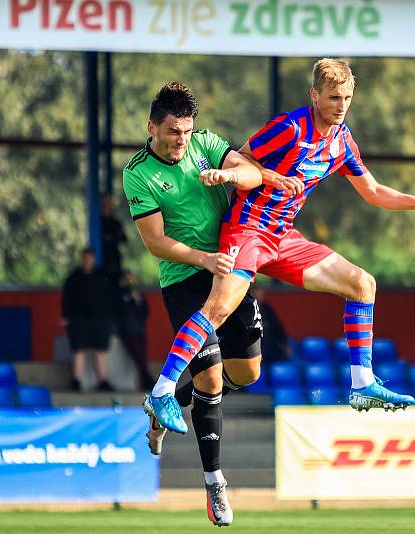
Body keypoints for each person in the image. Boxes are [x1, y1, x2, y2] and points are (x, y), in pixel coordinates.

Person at [148, 58, 415, 434]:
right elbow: (242, 158)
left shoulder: (342, 142)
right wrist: (256, 176)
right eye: (332, 97)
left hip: (282, 237)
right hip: (247, 229)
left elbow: (372, 191)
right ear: (314, 95)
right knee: (217, 310)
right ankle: (161, 391)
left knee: (363, 284)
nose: (341, 106)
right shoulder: (290, 128)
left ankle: (362, 384)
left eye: (346, 97)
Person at [122, 82, 265, 527]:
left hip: (230, 267)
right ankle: (215, 484)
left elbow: (254, 173)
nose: (180, 140)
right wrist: (203, 257)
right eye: (171, 131)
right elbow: (156, 243)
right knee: (209, 377)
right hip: (185, 279)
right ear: (151, 127)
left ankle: (161, 408)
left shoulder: (206, 145)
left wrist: (229, 175)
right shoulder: (137, 173)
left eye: (185, 131)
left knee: (248, 374)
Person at [61, 247, 114, 391]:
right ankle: (76, 381)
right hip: (78, 319)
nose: (87, 261)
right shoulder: (73, 278)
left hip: (100, 319)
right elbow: (66, 299)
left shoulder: (102, 276)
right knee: (79, 350)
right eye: (85, 258)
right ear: (81, 259)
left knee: (100, 351)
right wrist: (65, 316)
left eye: (90, 258)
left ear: (93, 259)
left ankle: (103, 381)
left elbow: (109, 299)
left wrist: (109, 318)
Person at [116, 270, 156, 391]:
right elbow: (120, 311)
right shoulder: (120, 293)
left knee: (142, 356)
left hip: (139, 329)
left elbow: (146, 312)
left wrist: (137, 300)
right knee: (137, 355)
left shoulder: (139, 293)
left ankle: (146, 380)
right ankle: (148, 380)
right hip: (127, 330)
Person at [250, 285, 290, 362]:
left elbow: (278, 328)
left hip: (269, 347)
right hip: (252, 348)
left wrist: (285, 344)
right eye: (255, 292)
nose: (257, 294)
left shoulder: (267, 309)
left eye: (259, 292)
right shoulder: (245, 309)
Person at [100, 192, 127, 287]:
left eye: (108, 203)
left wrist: (113, 237)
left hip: (114, 260)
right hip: (101, 259)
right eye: (104, 203)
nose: (106, 206)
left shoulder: (116, 223)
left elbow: (124, 239)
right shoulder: (97, 222)